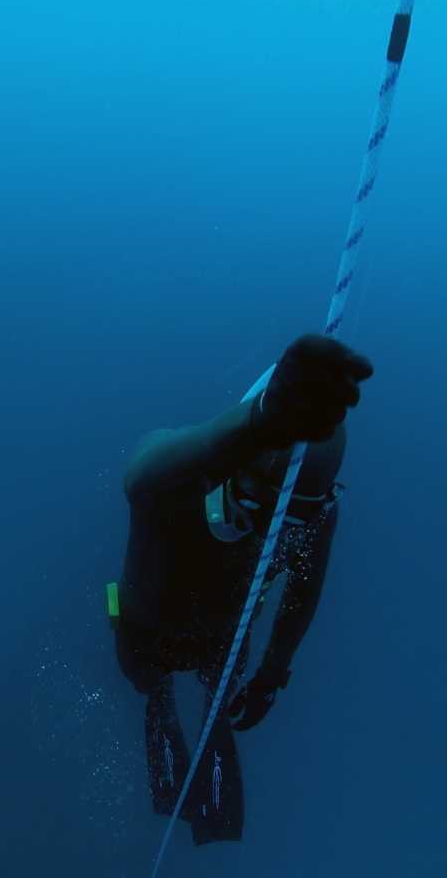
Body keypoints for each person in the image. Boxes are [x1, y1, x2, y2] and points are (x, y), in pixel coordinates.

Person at [115, 334, 373, 846]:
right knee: (152, 685)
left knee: (218, 684)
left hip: (222, 638)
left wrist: (274, 672)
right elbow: (142, 473)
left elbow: (306, 588)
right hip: (147, 635)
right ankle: (161, 704)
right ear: (230, 471)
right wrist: (258, 421)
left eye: (290, 522)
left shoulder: (314, 513)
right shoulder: (182, 476)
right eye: (255, 511)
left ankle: (194, 715)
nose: (267, 534)